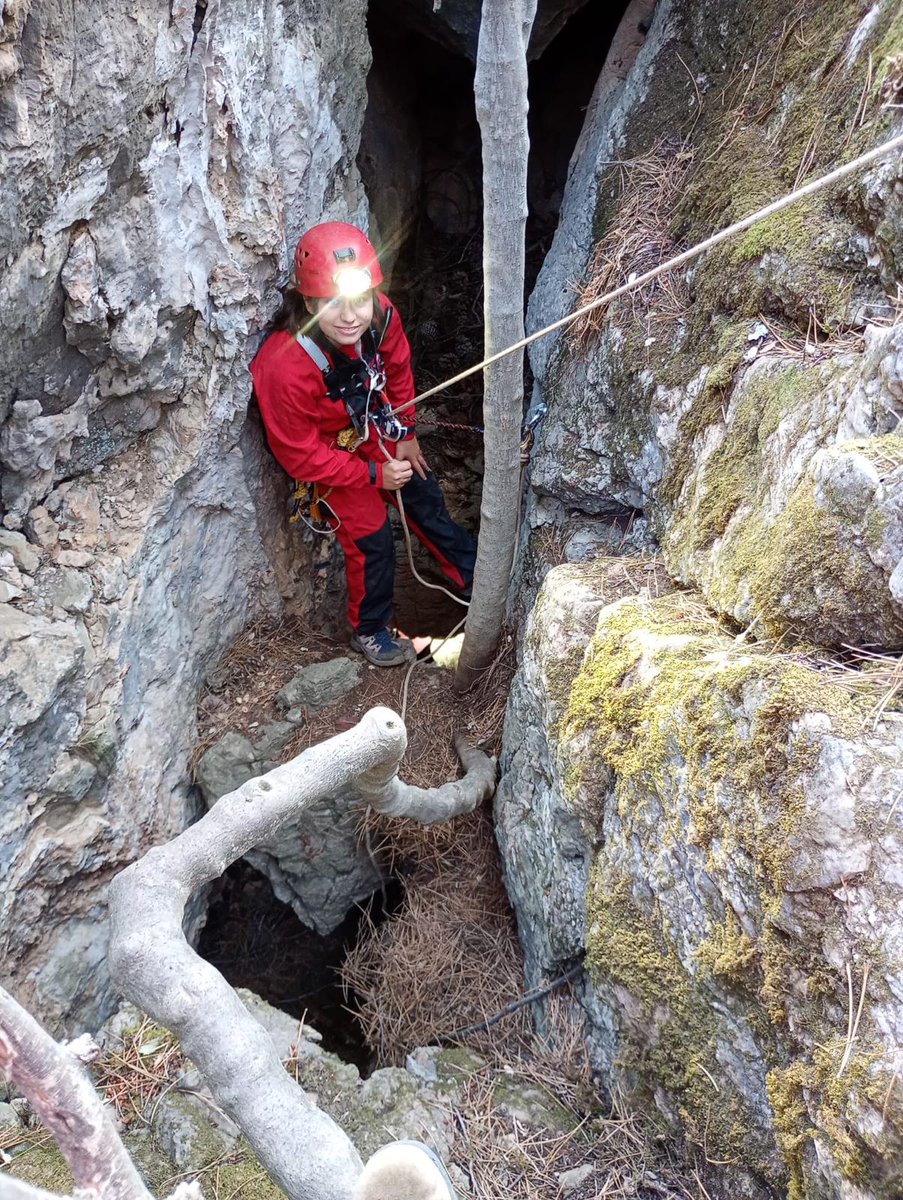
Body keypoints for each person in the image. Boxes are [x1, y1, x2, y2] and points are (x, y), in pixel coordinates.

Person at [251, 221, 476, 667]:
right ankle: (371, 630)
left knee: (421, 492)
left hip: (367, 427)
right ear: (308, 300)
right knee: (372, 536)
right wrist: (372, 474)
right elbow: (300, 455)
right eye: (332, 304)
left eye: (359, 299)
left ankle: (473, 577)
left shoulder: (379, 316)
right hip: (327, 454)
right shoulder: (284, 367)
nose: (350, 315)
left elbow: (397, 365)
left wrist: (406, 432)